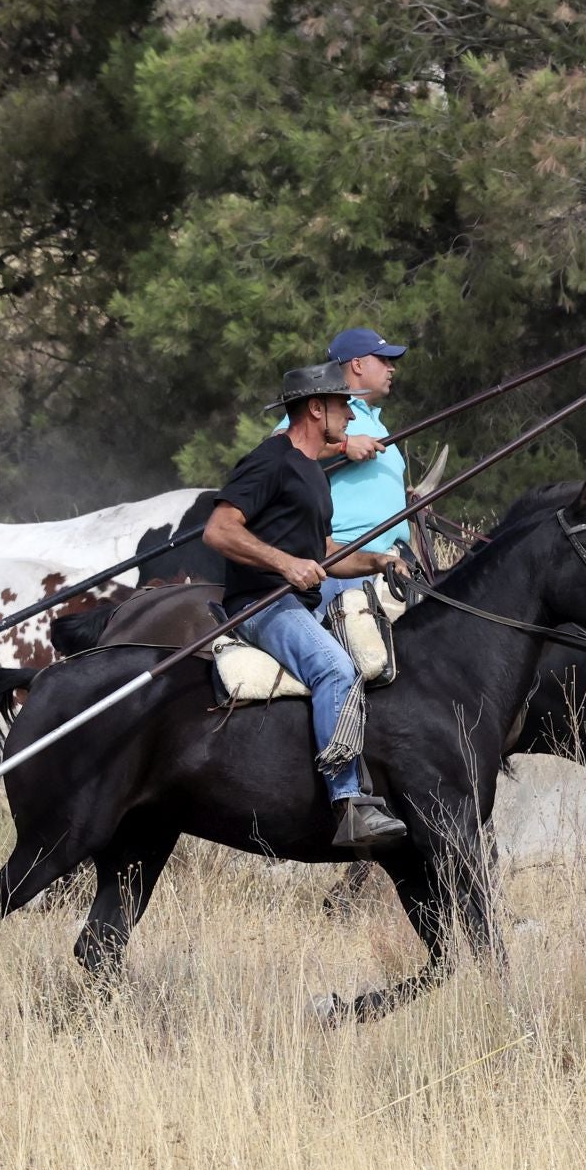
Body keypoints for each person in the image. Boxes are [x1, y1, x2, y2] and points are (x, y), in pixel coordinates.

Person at [205, 362, 409, 849]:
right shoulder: (271, 460)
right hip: (262, 604)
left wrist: (377, 560)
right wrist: (284, 563)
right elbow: (220, 529)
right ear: (316, 409)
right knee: (337, 670)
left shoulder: (312, 474)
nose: (349, 417)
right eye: (342, 407)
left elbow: (322, 553)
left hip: (300, 604)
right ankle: (348, 805)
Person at [275, 326, 412, 613]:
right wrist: (343, 446)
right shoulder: (325, 412)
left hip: (388, 564)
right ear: (358, 364)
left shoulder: (374, 420)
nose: (392, 369)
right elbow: (278, 448)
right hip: (344, 564)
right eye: (384, 359)